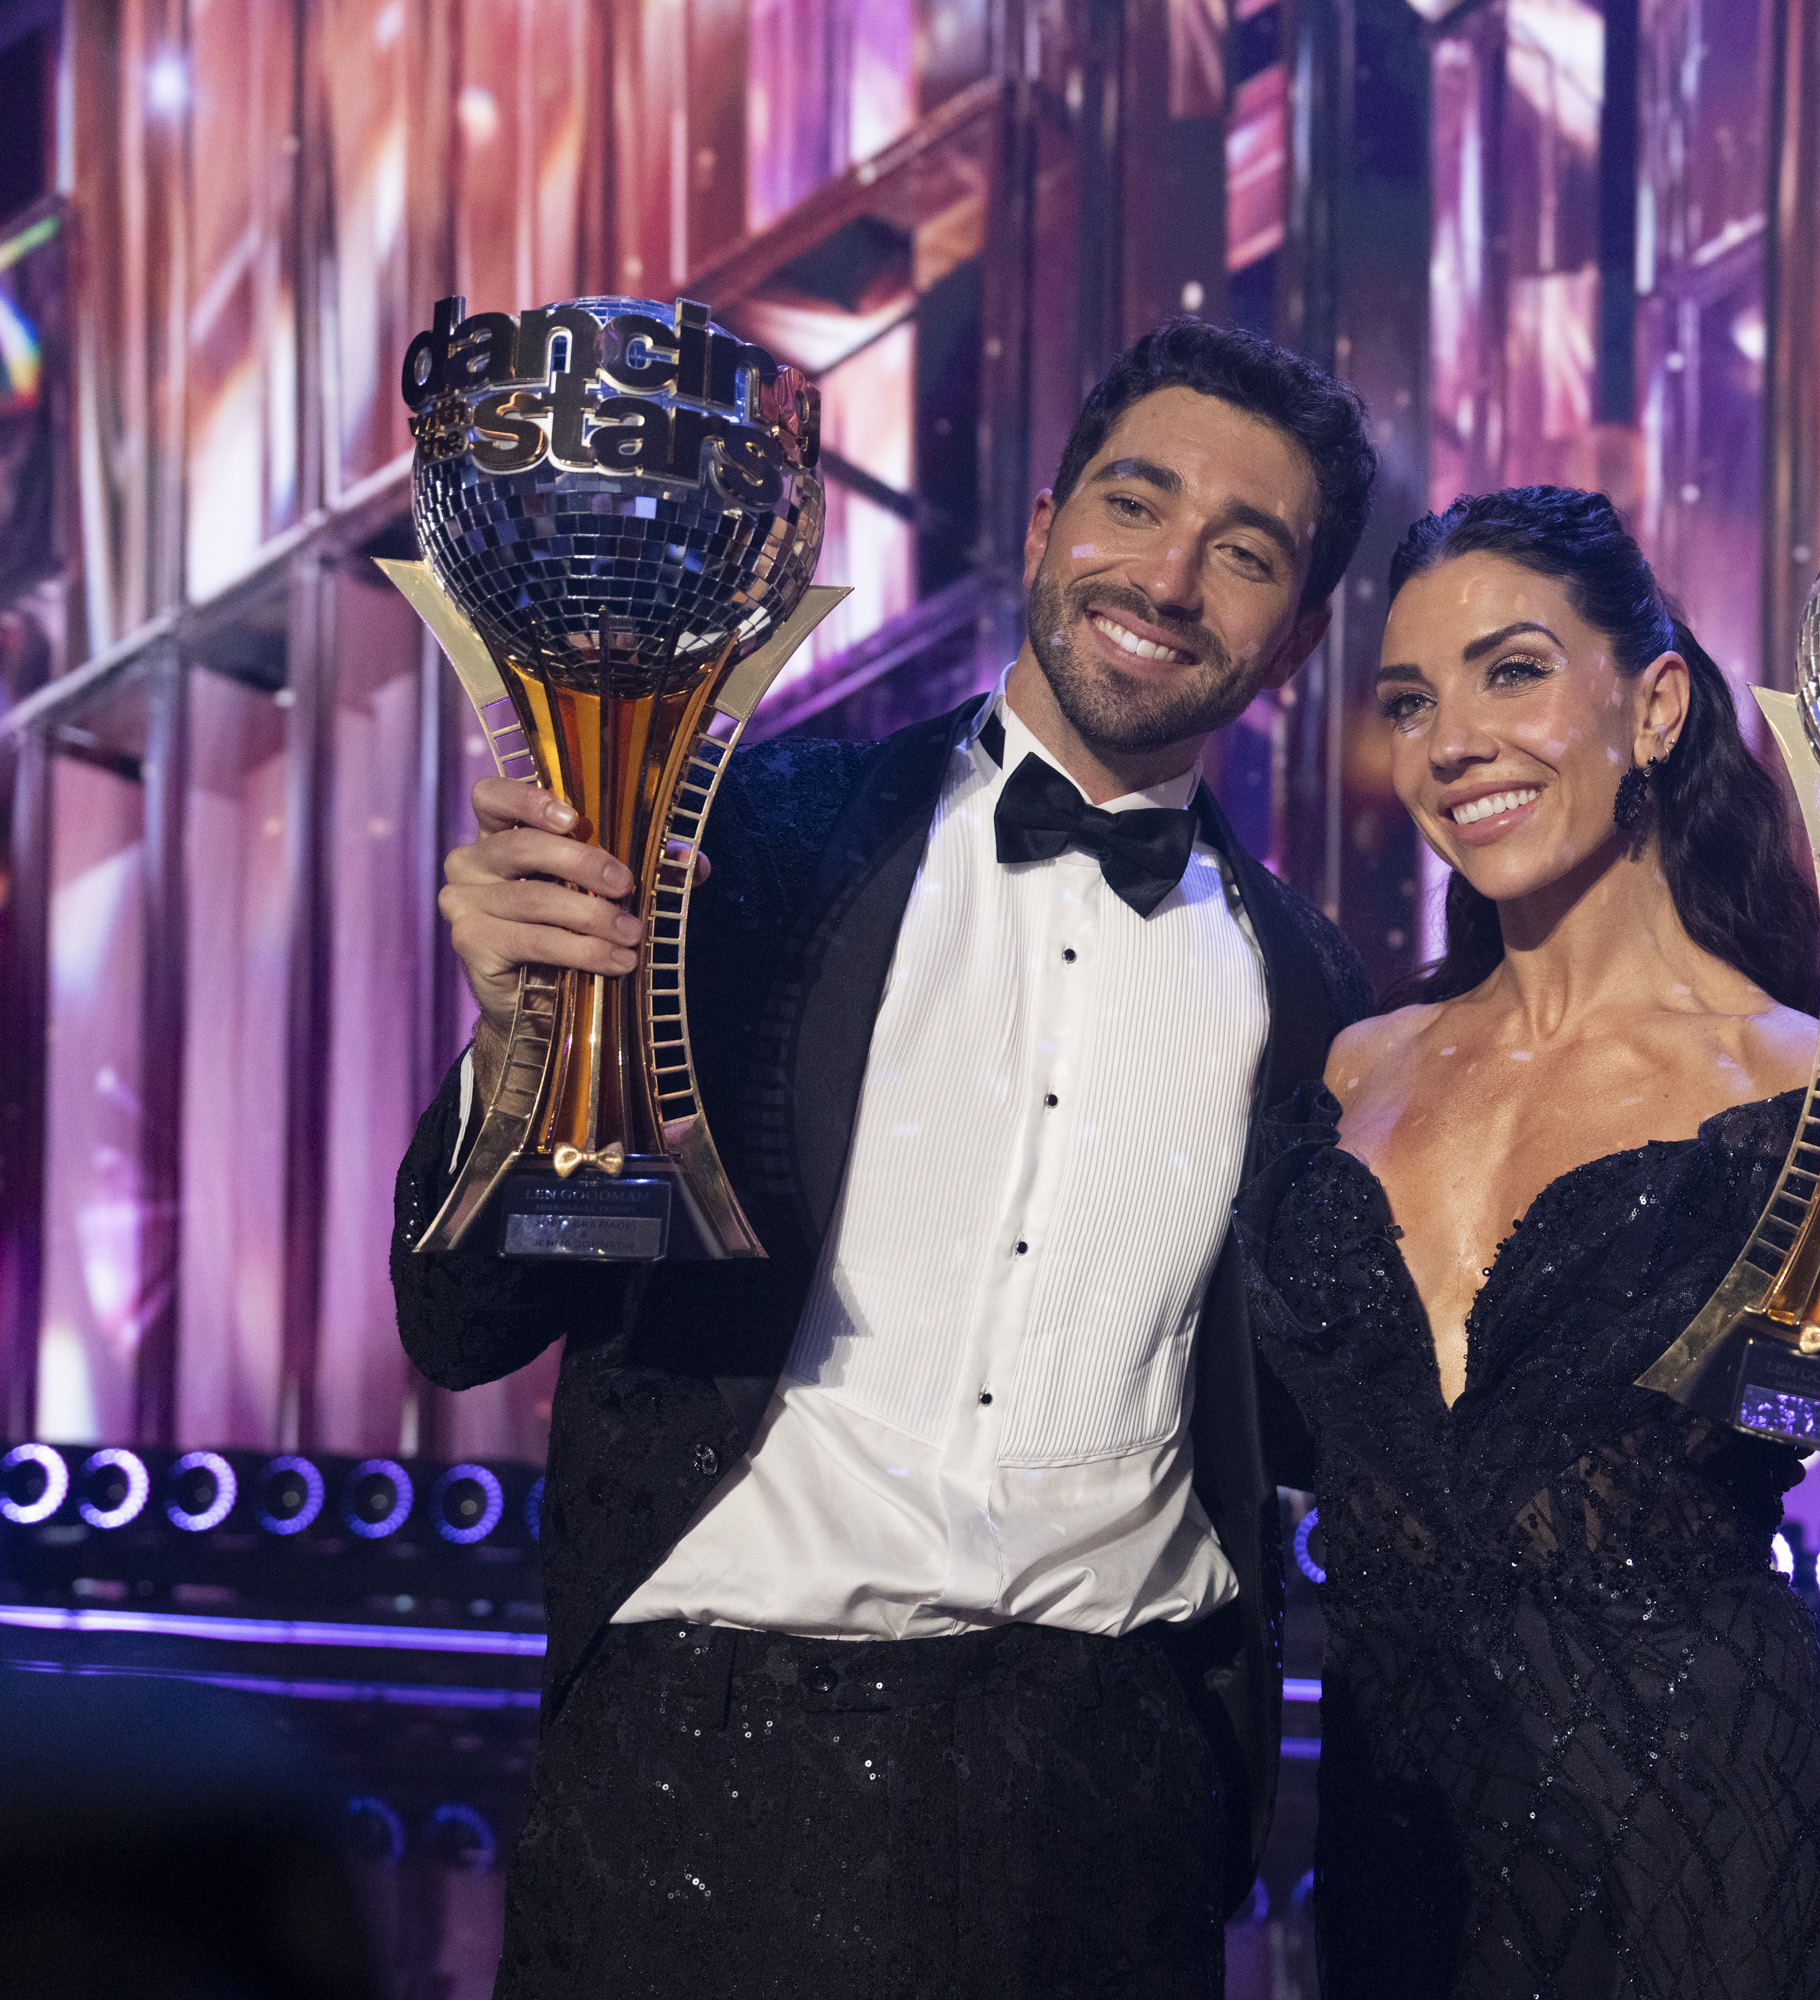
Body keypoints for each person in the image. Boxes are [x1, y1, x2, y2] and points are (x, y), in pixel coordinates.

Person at [390, 317, 1376, 1997]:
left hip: (1108, 1813)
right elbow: (465, 1327)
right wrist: (524, 1040)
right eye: (1135, 504)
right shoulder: (737, 843)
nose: (1170, 574)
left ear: (1294, 635)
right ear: (1050, 517)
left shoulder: (1315, 989)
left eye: (1248, 549)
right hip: (695, 1779)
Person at [1239, 486, 1820, 1997]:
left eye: (1513, 669)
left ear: (1655, 704)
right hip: (1394, 1878)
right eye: (1411, 699)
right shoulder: (1348, 1072)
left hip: (1706, 1870)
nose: (1453, 738)